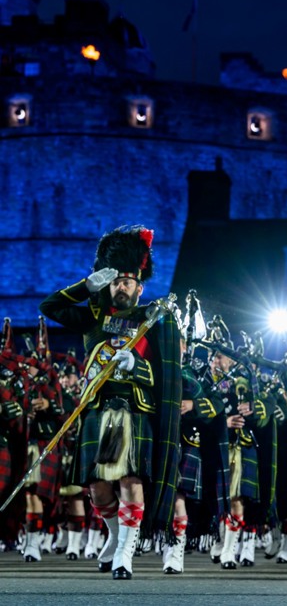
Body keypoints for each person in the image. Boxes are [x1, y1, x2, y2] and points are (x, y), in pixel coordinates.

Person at [39, 225, 182, 580]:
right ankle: (116, 536)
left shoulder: (156, 320)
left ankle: (124, 554)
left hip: (135, 410)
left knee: (130, 482)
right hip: (97, 409)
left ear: (139, 286)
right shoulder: (93, 315)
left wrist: (138, 368)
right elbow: (49, 306)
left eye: (128, 282)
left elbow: (168, 378)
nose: (121, 287)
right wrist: (85, 286)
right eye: (116, 281)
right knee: (98, 489)